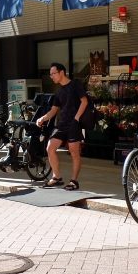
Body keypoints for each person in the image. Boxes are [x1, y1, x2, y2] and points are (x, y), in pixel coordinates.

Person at [36, 63, 88, 191]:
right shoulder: (58, 92)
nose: (51, 76)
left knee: (74, 152)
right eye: (50, 74)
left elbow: (84, 101)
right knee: (50, 147)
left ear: (61, 72)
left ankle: (74, 181)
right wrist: (42, 118)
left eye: (53, 73)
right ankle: (57, 177)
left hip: (74, 124)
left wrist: (76, 118)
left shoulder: (75, 85)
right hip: (62, 124)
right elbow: (54, 111)